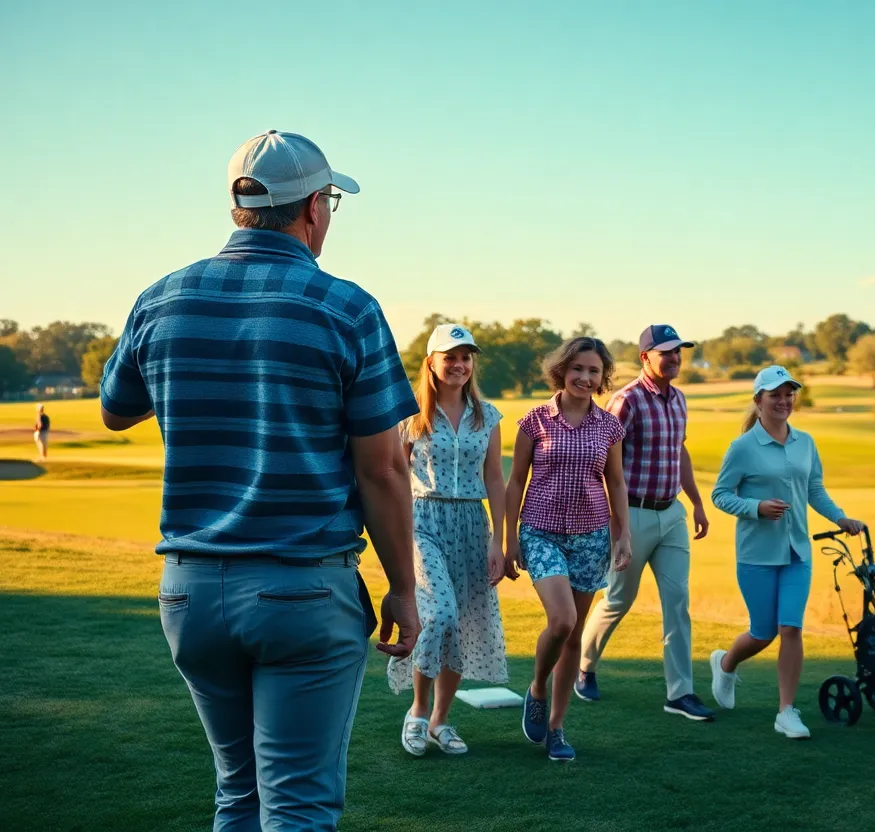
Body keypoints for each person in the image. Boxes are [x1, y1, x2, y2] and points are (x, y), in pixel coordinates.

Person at [99, 130, 422, 830]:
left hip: (190, 592)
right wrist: (403, 586)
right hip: (302, 587)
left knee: (237, 796)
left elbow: (115, 411)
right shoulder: (345, 307)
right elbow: (383, 467)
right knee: (297, 807)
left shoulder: (160, 298)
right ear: (312, 208)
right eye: (330, 202)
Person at [708, 366, 865, 740]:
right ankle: (726, 663)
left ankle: (786, 712)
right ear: (758, 400)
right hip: (756, 555)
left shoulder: (805, 442)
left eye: (789, 394)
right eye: (775, 394)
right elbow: (720, 495)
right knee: (763, 633)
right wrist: (756, 507)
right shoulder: (742, 447)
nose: (783, 400)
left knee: (791, 627)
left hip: (798, 553)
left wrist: (840, 517)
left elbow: (815, 490)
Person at [578, 324, 714, 721]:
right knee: (619, 599)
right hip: (632, 514)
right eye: (665, 352)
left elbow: (679, 453)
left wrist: (697, 503)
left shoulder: (680, 399)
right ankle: (583, 667)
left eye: (677, 352)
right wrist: (616, 525)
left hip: (672, 514)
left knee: (678, 602)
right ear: (645, 357)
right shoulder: (627, 401)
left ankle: (680, 693)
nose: (674, 358)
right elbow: (604, 464)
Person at [505, 336, 632, 762]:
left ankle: (557, 728)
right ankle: (537, 687)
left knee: (574, 634)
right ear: (562, 370)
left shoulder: (609, 426)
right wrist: (508, 539)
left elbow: (616, 483)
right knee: (562, 621)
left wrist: (623, 535)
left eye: (594, 371)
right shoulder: (535, 421)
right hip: (541, 532)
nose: (585, 377)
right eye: (578, 368)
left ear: (602, 377)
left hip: (591, 536)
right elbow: (515, 481)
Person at [389, 323, 509, 757]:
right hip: (422, 520)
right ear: (431, 363)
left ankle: (441, 720)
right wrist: (394, 537)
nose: (459, 365)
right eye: (450, 357)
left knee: (463, 621)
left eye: (465, 357)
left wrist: (499, 541)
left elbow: (494, 478)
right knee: (440, 614)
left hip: (472, 525)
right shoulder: (409, 415)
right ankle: (418, 712)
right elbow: (395, 476)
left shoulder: (487, 416)